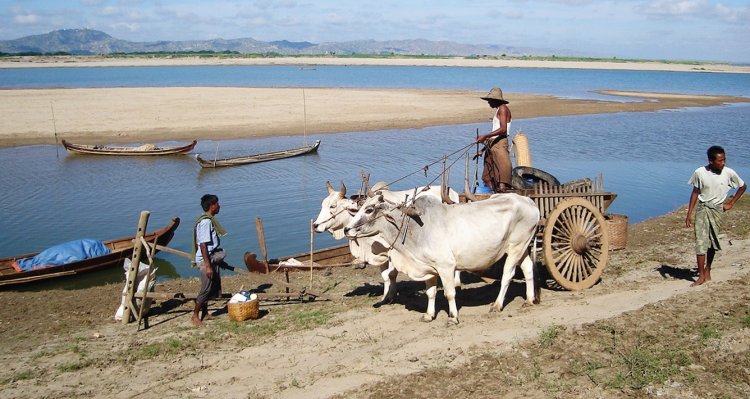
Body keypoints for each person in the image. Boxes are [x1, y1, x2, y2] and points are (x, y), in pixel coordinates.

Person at [685, 145, 746, 287]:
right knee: (701, 242)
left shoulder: (729, 173)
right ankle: (700, 276)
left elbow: (742, 186)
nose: (723, 163)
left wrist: (731, 203)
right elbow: (695, 192)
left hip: (717, 210)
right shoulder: (700, 172)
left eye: (724, 159)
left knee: (713, 242)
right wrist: (689, 214)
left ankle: (708, 269)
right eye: (720, 160)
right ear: (711, 161)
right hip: (702, 209)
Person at [192, 194, 228, 325]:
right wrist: (208, 266)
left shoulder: (208, 220)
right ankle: (195, 315)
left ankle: (205, 313)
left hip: (209, 257)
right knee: (205, 288)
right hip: (205, 260)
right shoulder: (206, 222)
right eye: (217, 204)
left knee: (211, 285)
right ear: (212, 206)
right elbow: (203, 245)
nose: (219, 206)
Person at [476, 87, 513, 192]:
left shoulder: (503, 109)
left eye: (489, 101)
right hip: (493, 143)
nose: (488, 103)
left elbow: (503, 130)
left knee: (502, 174)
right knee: (487, 176)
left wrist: (485, 136)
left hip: (500, 143)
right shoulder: (498, 109)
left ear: (495, 100)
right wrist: (482, 151)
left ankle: (502, 191)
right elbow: (495, 132)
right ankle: (494, 193)